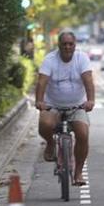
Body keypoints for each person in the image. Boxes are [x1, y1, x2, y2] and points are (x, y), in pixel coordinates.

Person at [34, 31, 95, 186]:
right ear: (58, 45)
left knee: (82, 134)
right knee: (45, 124)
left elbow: (88, 80)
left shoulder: (82, 58)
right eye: (64, 44)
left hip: (77, 106)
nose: (67, 47)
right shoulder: (50, 60)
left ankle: (78, 173)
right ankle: (50, 143)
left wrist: (90, 100)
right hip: (53, 105)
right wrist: (39, 101)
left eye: (71, 44)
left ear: (75, 45)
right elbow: (42, 82)